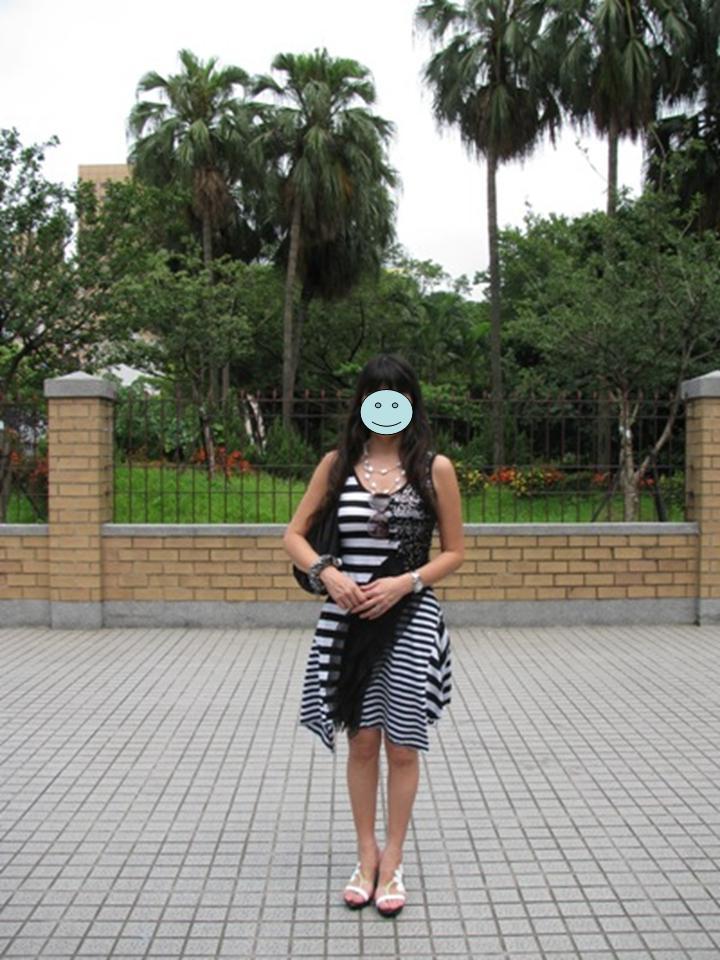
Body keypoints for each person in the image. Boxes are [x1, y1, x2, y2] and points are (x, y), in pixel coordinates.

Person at [283, 353, 464, 917]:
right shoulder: (336, 465)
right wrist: (328, 574)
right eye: (375, 393)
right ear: (362, 402)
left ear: (411, 402)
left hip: (410, 619)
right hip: (347, 621)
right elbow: (294, 535)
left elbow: (455, 552)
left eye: (396, 393)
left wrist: (406, 583)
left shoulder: (435, 468)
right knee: (362, 741)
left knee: (403, 744)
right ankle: (366, 856)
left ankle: (394, 859)